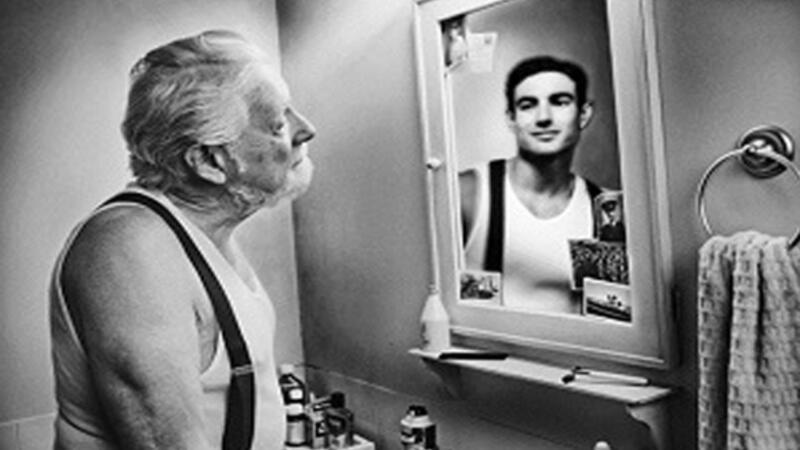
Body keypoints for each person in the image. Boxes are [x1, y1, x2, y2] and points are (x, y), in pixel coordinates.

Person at [49, 30, 315, 449]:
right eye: (279, 123)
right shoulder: (130, 248)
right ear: (209, 161)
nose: (307, 130)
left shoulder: (199, 236)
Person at [460, 55, 609, 313]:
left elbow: (607, 312)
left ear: (583, 114)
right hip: (484, 338)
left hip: (572, 340)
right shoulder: (472, 194)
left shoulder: (605, 210)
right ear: (511, 118)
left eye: (560, 102)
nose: (543, 118)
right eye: (528, 105)